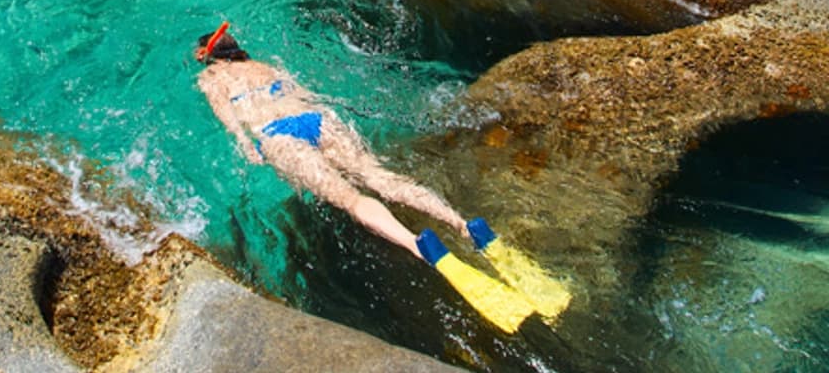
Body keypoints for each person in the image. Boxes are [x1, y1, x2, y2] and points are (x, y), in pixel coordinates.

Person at [194, 22, 570, 332]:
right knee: (377, 175)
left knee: (351, 199)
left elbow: (228, 118)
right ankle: (465, 226)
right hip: (318, 119)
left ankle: (418, 246)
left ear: (206, 56)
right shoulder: (266, 65)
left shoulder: (211, 77)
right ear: (237, 48)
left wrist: (246, 144)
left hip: (278, 134)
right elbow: (304, 93)